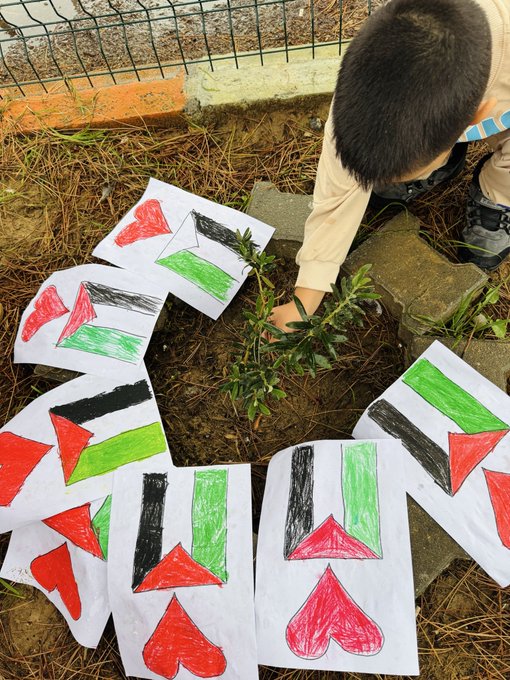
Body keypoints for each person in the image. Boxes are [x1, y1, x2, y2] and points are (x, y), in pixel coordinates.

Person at [270, 0, 510, 332]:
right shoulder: (370, 77)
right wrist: (305, 298)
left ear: (475, 118)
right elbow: (336, 188)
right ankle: (437, 160)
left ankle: (496, 191)